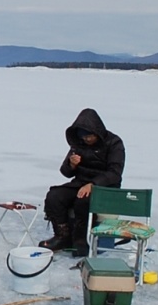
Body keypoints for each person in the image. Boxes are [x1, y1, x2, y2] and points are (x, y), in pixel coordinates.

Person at [43, 108, 125, 256]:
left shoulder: (114, 143)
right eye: (83, 136)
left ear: (97, 132)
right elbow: (65, 172)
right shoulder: (78, 144)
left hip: (105, 187)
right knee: (54, 196)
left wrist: (93, 184)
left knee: (83, 201)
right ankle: (62, 236)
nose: (86, 139)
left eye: (89, 136)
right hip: (80, 183)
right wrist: (71, 164)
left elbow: (115, 173)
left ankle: (81, 239)